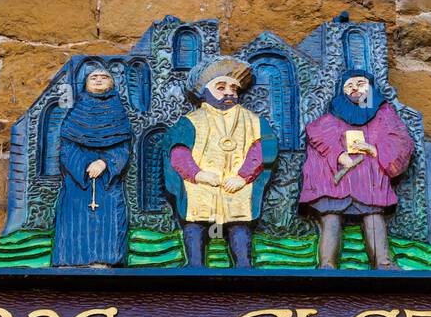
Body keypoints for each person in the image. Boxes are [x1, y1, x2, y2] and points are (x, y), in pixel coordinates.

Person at [163, 57, 277, 268]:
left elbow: (262, 149)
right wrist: (197, 174)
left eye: (233, 88)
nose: (228, 92)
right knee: (195, 223)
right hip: (200, 187)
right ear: (205, 91)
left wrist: (244, 177)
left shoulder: (253, 120)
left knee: (239, 223)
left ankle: (243, 264)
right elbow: (178, 151)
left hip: (237, 185)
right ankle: (195, 264)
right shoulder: (191, 121)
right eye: (221, 87)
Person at [300, 69, 414, 269]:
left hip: (368, 177)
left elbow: (399, 139)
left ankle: (383, 262)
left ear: (370, 87)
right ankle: (327, 264)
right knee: (331, 217)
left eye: (360, 84)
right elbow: (317, 132)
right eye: (349, 86)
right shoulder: (336, 112)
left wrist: (374, 149)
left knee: (373, 217)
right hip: (336, 179)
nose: (354, 89)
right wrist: (338, 154)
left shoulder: (383, 113)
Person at [51, 64, 132, 267]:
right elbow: (67, 146)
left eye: (104, 77)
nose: (98, 80)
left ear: (112, 83)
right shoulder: (76, 110)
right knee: (74, 216)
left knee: (110, 217)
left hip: (107, 180)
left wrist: (104, 162)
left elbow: (123, 146)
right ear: (86, 84)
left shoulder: (117, 110)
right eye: (93, 77)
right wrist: (84, 166)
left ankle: (106, 260)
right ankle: (71, 260)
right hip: (78, 180)